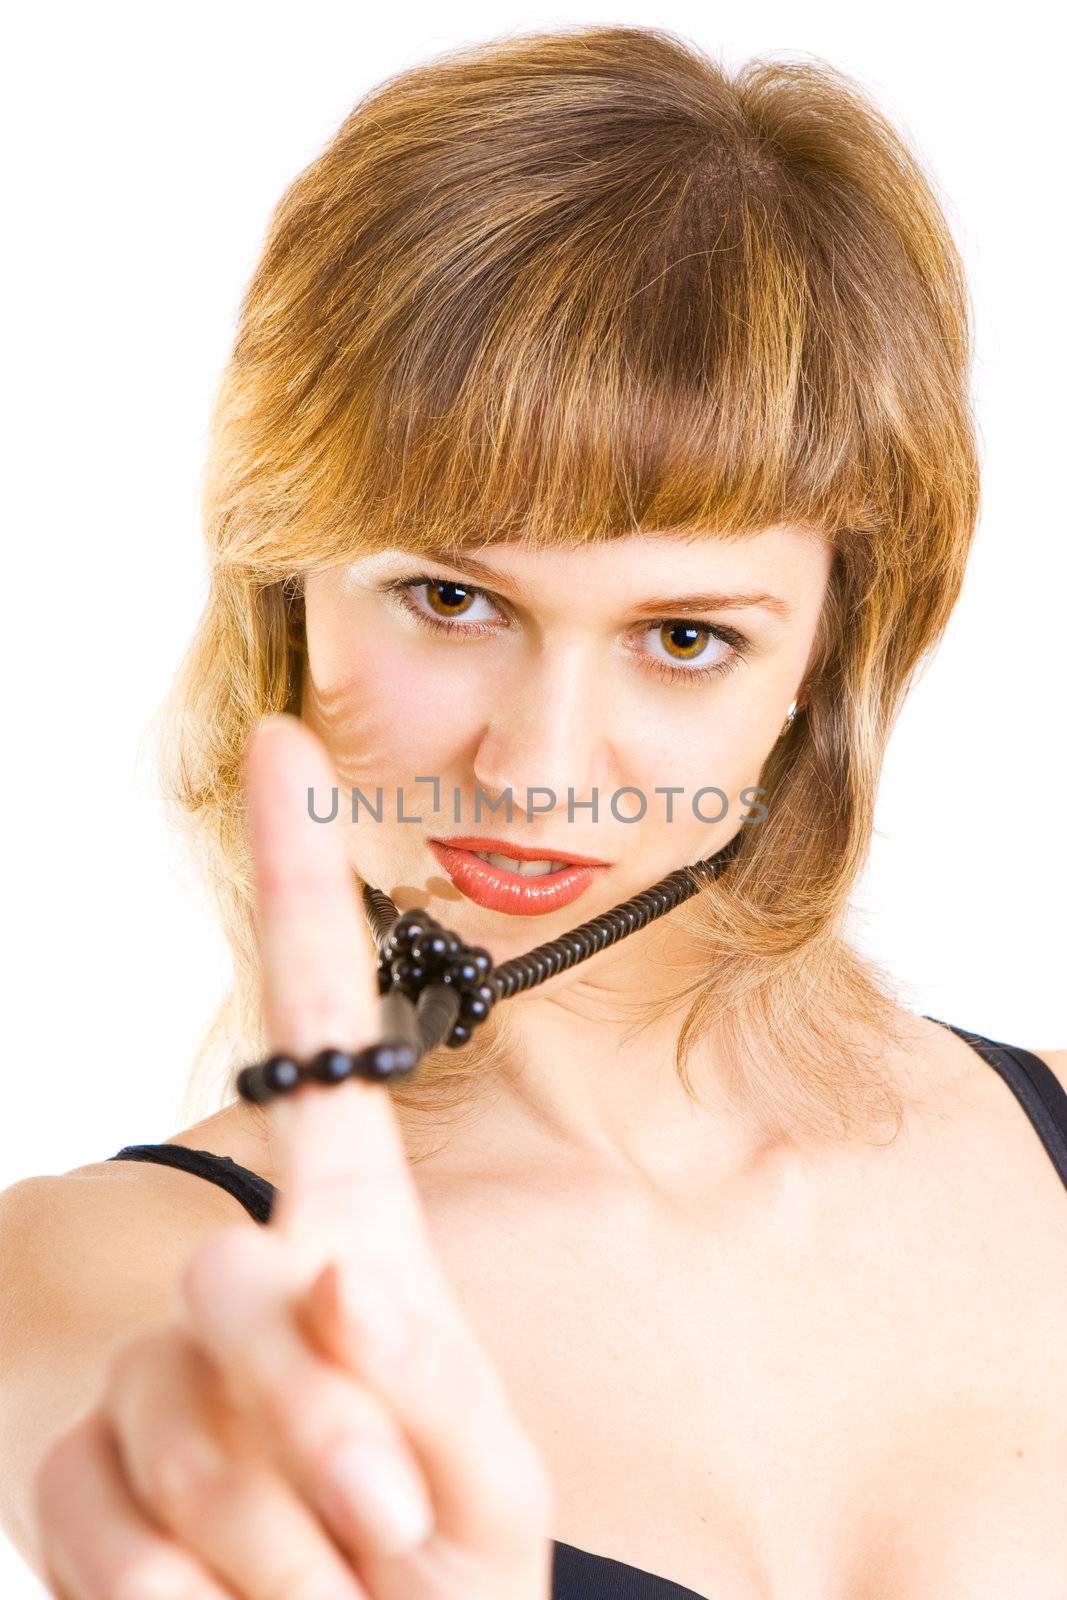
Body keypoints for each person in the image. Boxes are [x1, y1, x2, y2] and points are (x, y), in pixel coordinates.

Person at [3, 20, 1066, 1600]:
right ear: (284, 586)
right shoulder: (119, 1281)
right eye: (449, 596)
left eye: (686, 636)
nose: (536, 764)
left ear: (826, 659)